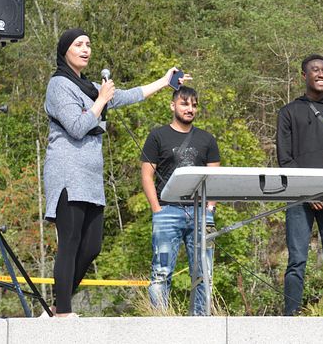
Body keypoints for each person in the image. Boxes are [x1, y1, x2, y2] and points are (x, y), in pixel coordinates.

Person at [43, 28, 188, 317]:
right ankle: (63, 312)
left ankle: (58, 305)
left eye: (88, 44)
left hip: (91, 178)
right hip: (67, 174)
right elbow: (76, 126)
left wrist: (165, 80)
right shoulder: (59, 85)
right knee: (70, 242)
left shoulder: (93, 87)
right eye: (78, 44)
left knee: (93, 246)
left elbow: (131, 95)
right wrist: (101, 100)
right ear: (65, 51)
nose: (85, 49)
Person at [276, 54, 323, 315]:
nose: (321, 74)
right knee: (297, 261)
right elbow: (284, 159)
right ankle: (292, 316)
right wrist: (309, 192)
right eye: (315, 70)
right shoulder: (288, 112)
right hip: (300, 197)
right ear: (304, 76)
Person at [141, 85, 221, 316]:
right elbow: (147, 175)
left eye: (194, 105)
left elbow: (214, 177)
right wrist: (156, 209)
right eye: (185, 103)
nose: (190, 109)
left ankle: (200, 322)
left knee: (204, 272)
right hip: (167, 211)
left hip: (200, 213)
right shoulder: (157, 135)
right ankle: (160, 321)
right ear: (173, 105)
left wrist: (210, 210)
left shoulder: (207, 139)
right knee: (161, 272)